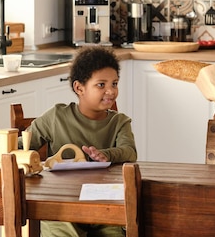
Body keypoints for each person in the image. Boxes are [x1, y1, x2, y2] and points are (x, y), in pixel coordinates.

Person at [27, 46, 137, 237]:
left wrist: (106, 154)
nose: (111, 91)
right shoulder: (56, 117)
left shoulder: (120, 122)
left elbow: (129, 151)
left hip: (106, 206)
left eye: (115, 83)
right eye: (101, 85)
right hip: (61, 206)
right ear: (79, 88)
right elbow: (24, 145)